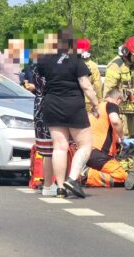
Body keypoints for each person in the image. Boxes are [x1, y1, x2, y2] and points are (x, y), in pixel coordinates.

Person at [37, 28, 100, 198]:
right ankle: (72, 179)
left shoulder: (44, 60)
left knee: (59, 147)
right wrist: (95, 104)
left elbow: (40, 77)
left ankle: (60, 188)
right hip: (73, 106)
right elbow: (86, 85)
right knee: (85, 145)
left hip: (52, 104)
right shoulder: (76, 60)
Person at [24, 33, 58, 196]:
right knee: (57, 145)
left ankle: (47, 183)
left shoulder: (35, 63)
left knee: (46, 148)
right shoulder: (51, 64)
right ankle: (55, 183)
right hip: (51, 103)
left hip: (39, 104)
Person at [83, 88, 134, 187]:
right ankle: (87, 175)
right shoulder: (111, 105)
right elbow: (115, 121)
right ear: (118, 99)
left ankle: (88, 173)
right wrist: (123, 137)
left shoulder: (96, 108)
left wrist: (119, 140)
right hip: (99, 154)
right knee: (123, 176)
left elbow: (103, 131)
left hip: (88, 152)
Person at [103, 35, 134, 138]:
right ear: (127, 52)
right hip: (119, 111)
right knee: (123, 142)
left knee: (133, 137)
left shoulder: (131, 64)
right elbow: (108, 93)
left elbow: (133, 84)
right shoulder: (116, 66)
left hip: (129, 110)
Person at [77, 38, 102, 113]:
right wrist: (99, 99)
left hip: (74, 99)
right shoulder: (93, 66)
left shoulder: (70, 64)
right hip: (89, 100)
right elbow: (98, 85)